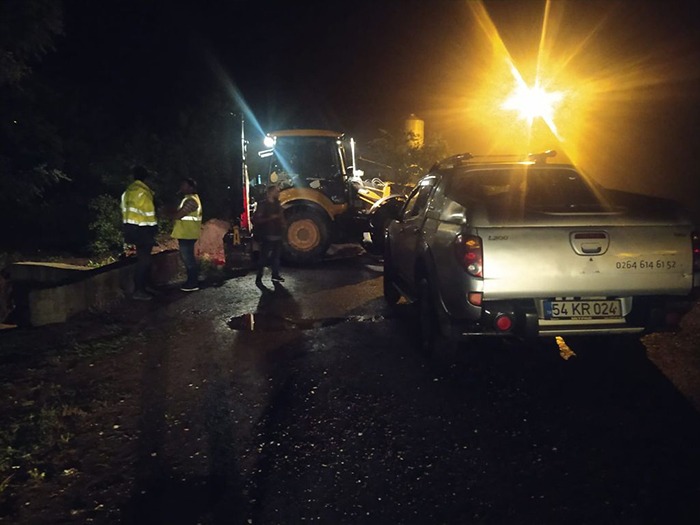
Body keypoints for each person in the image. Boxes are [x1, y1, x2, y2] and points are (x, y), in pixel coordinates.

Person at [122, 166, 158, 301]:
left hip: (131, 228)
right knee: (144, 260)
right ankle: (139, 290)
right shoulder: (143, 192)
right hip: (144, 229)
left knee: (143, 259)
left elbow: (124, 209)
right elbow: (149, 213)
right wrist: (154, 228)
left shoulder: (128, 192)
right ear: (146, 178)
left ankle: (145, 287)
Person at [168, 178, 202, 292]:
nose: (181, 187)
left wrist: (167, 214)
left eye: (184, 185)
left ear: (191, 187)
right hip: (186, 233)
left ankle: (192, 283)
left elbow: (179, 215)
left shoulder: (192, 201)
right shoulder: (189, 199)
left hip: (188, 233)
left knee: (188, 259)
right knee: (187, 258)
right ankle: (192, 280)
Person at [253, 185, 285, 284]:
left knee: (276, 257)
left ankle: (275, 275)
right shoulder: (263, 205)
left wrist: (282, 224)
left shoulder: (277, 204)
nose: (278, 194)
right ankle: (259, 276)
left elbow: (281, 218)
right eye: (276, 191)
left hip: (277, 234)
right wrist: (271, 218)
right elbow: (257, 219)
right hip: (267, 235)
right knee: (264, 257)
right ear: (270, 193)